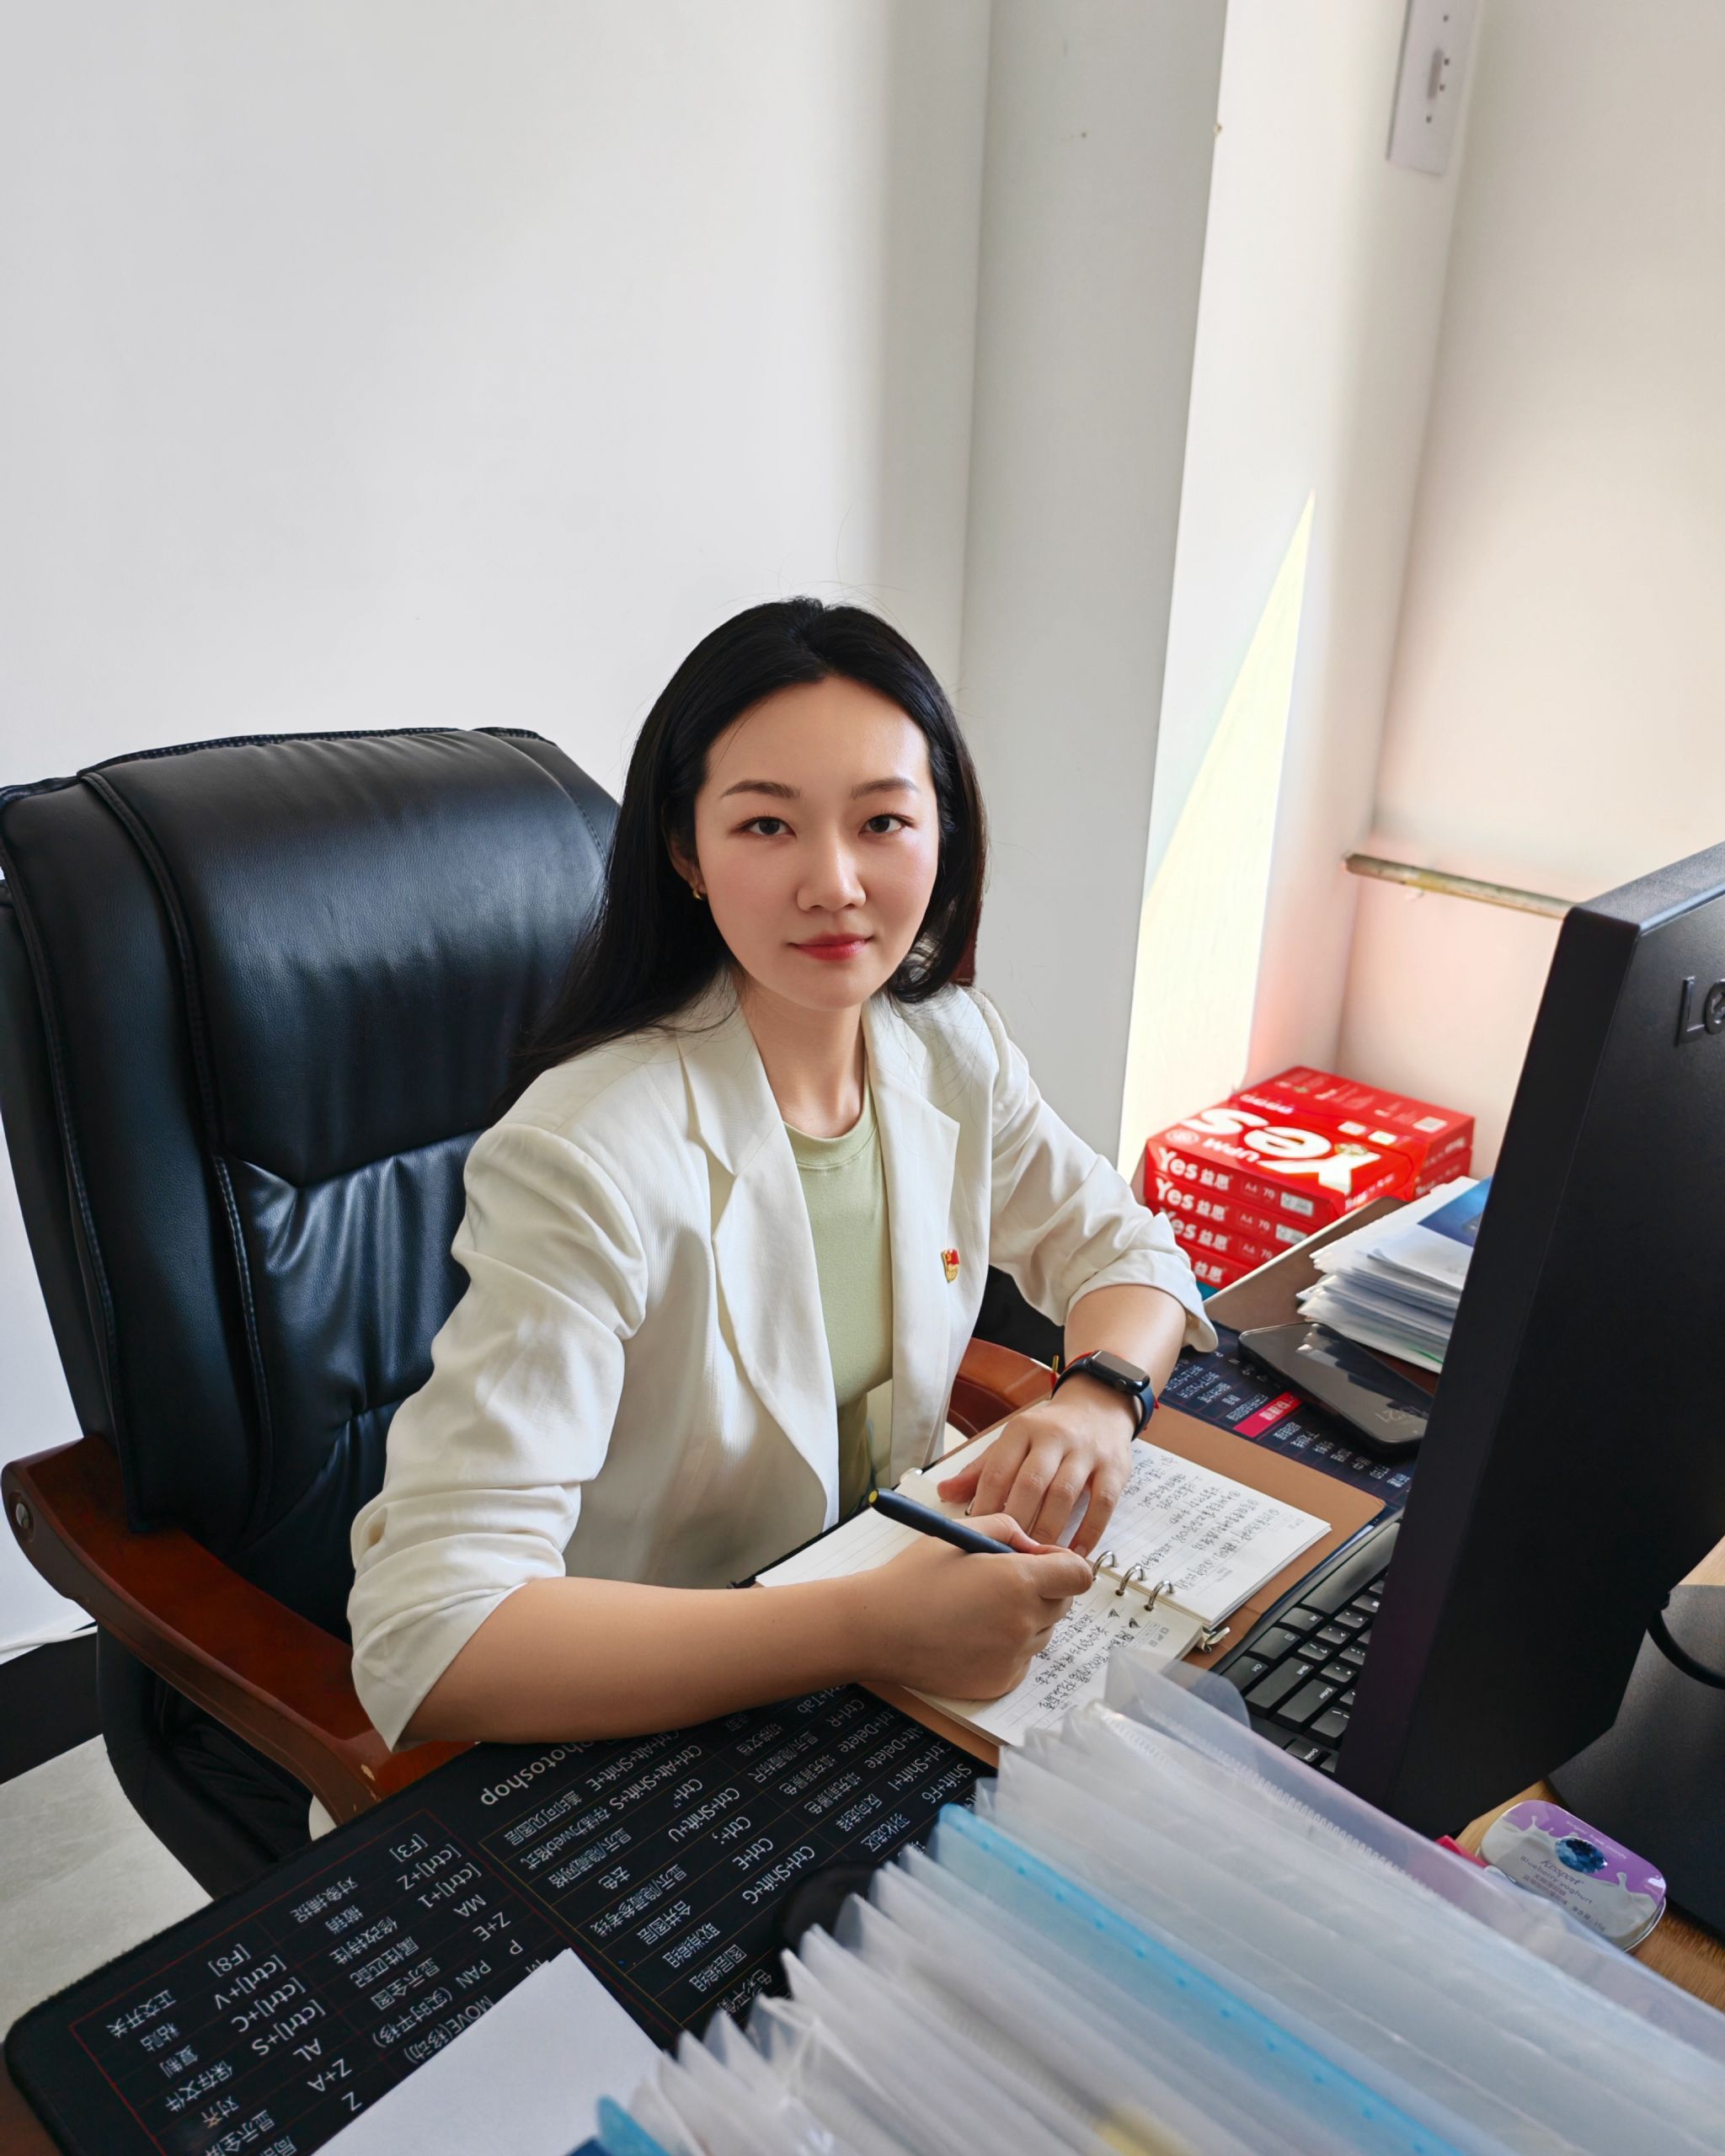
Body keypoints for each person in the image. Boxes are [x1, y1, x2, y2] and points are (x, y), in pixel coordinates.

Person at [346, 598, 1215, 1753]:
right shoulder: (582, 1156)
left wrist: (1099, 1399)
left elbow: (1125, 1248)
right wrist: (867, 1627)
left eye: (883, 821)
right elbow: (429, 1637)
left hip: (871, 1663)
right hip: (639, 1720)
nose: (835, 883)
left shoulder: (946, 1045)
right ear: (685, 853)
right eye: (767, 825)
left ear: (943, 833)